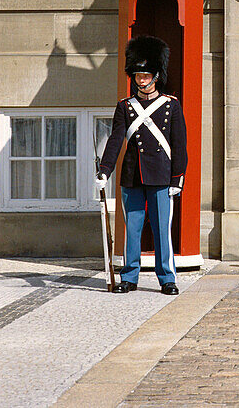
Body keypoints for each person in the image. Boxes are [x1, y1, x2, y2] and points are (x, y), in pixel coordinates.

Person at [96, 35, 187, 295]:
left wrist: (177, 179)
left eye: (146, 75)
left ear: (156, 76)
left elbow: (179, 145)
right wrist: (105, 170)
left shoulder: (171, 105)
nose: (141, 79)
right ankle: (130, 277)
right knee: (133, 229)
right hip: (133, 175)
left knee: (161, 231)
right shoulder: (125, 107)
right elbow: (115, 141)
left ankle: (167, 278)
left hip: (161, 175)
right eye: (138, 75)